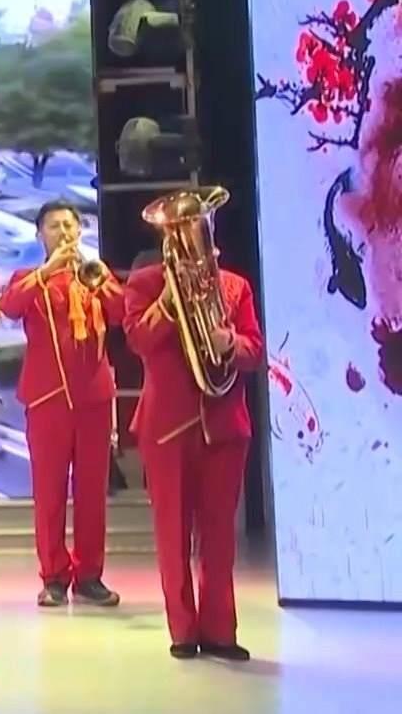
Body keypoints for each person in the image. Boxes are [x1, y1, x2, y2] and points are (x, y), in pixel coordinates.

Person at [122, 247, 262, 662]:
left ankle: (220, 630)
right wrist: (168, 300)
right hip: (167, 426)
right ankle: (182, 630)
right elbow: (138, 340)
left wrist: (230, 343)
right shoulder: (145, 283)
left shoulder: (235, 285)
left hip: (224, 424)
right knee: (173, 533)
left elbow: (255, 349)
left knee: (220, 535)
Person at [0, 201, 126, 608]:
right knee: (49, 491)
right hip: (47, 398)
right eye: (53, 226)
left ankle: (90, 576)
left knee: (92, 492)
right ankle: (53, 575)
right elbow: (8, 306)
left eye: (69, 225)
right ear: (40, 235)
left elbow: (122, 313)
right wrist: (48, 271)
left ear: (80, 231)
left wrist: (99, 279)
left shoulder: (95, 274)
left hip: (93, 398)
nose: (63, 232)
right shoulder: (28, 279)